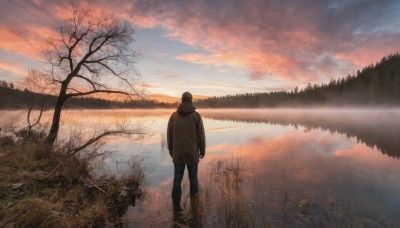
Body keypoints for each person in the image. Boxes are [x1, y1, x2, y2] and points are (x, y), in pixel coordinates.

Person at [167, 91, 206, 213]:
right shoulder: (196, 116)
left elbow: (169, 136)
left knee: (177, 178)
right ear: (191, 100)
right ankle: (194, 201)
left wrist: (171, 151)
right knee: (193, 177)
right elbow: (201, 135)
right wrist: (202, 149)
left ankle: (175, 204)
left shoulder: (173, 116)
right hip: (192, 153)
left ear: (182, 100)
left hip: (178, 153)